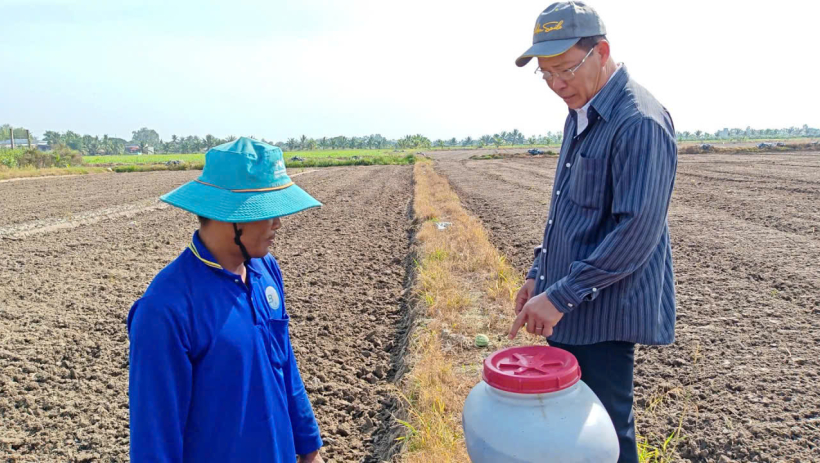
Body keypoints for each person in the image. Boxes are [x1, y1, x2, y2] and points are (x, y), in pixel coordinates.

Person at [508, 2, 678, 462]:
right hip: (570, 304)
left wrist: (561, 295)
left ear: (601, 51)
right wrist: (538, 274)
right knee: (572, 437)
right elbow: (565, 209)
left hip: (603, 313)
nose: (556, 84)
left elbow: (637, 231)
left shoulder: (637, 121)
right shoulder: (581, 111)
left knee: (604, 437)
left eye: (564, 69)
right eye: (545, 73)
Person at [127, 137, 325, 463]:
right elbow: (154, 440)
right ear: (231, 215)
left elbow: (285, 365)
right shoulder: (166, 309)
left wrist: (310, 450)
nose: (278, 222)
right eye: (268, 211)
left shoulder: (265, 269)